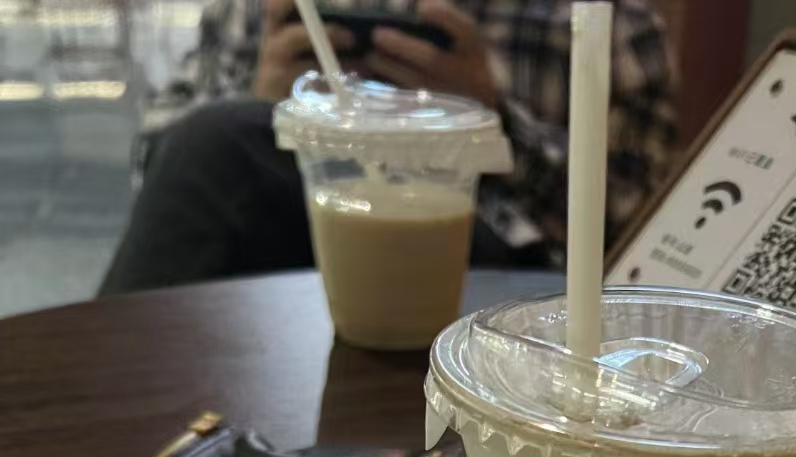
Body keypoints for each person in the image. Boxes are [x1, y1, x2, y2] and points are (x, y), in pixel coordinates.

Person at [101, 0, 679, 292]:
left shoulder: (605, 24)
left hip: (486, 276)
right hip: (265, 273)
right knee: (220, 142)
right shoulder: (258, 10)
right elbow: (162, 167)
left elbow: (643, 237)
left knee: (219, 143)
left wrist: (493, 127)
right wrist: (262, 109)